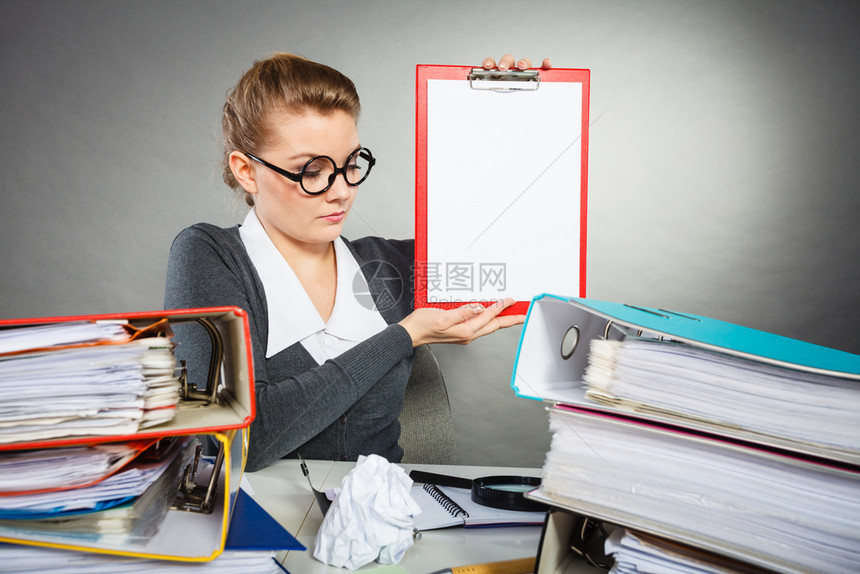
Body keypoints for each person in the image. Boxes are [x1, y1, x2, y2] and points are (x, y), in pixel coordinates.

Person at [164, 53, 550, 472]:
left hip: (384, 521)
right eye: (312, 171)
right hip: (258, 525)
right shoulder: (209, 256)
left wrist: (508, 110)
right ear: (246, 171)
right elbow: (237, 441)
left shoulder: (389, 266)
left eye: (351, 164)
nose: (342, 191)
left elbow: (517, 246)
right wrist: (404, 336)